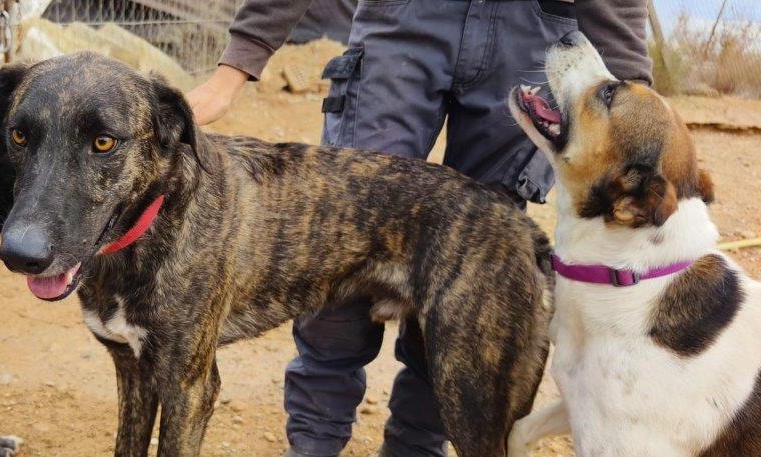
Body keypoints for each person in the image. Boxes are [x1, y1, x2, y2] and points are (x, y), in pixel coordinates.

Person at [186, 1, 652, 456]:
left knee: (471, 299)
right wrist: (236, 66)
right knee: (336, 237)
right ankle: (313, 445)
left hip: (530, 34)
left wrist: (636, 101)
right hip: (404, 19)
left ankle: (416, 447)